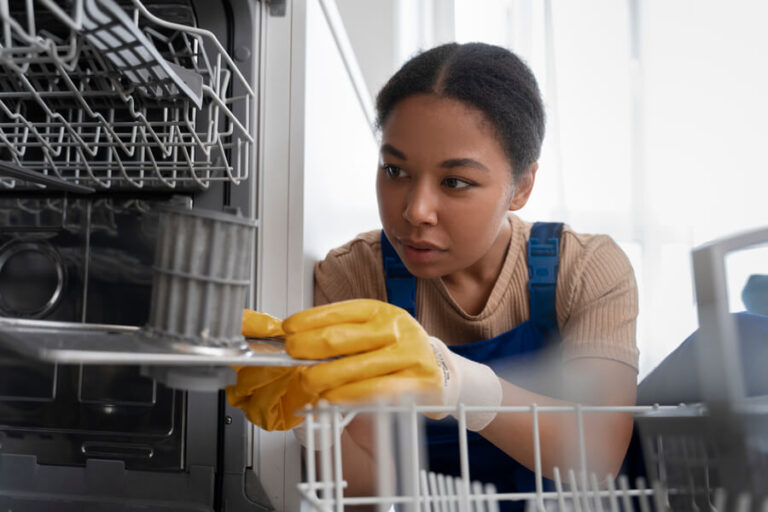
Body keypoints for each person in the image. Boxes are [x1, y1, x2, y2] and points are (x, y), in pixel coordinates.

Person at [227, 42, 639, 509]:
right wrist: (313, 422)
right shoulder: (356, 275)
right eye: (395, 170)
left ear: (522, 186)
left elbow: (600, 453)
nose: (415, 211)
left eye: (455, 182)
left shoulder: (584, 268)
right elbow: (366, 498)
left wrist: (457, 382)